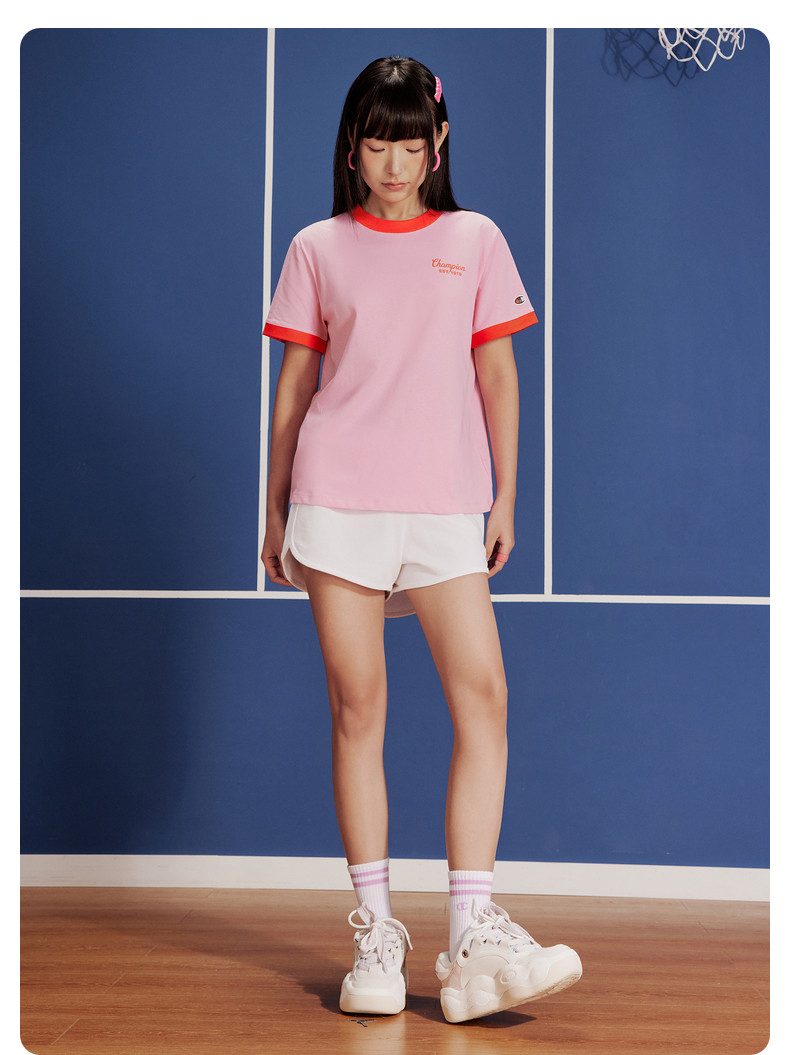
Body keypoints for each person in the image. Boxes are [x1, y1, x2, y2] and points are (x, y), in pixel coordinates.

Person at [261, 55, 582, 1024]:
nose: (393, 163)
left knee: (483, 696)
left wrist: (505, 497)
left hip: (444, 504)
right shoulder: (316, 246)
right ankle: (375, 935)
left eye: (409, 143)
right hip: (336, 500)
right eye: (376, 142)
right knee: (359, 706)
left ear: (437, 144)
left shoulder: (474, 239)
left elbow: (498, 375)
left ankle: (472, 935)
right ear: (351, 149)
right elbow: (295, 387)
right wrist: (273, 510)